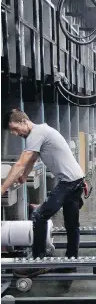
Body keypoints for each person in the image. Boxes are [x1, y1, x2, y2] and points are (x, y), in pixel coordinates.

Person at [1, 109, 85, 263]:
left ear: (24, 121)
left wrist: (2, 188)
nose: (14, 133)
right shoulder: (41, 131)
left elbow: (20, 163)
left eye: (15, 128)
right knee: (72, 225)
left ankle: (38, 260)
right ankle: (71, 261)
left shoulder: (36, 134)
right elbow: (32, 159)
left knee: (39, 216)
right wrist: (25, 177)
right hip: (76, 180)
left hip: (68, 183)